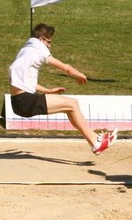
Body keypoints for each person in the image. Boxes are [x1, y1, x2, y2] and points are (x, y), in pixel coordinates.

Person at [9, 23, 117, 155]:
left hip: (18, 102)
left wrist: (47, 91)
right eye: (48, 42)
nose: (49, 45)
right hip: (25, 101)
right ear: (41, 39)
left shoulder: (24, 51)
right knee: (72, 104)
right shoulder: (38, 49)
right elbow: (65, 67)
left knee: (71, 106)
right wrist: (79, 74)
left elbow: (20, 81)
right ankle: (96, 142)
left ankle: (94, 140)